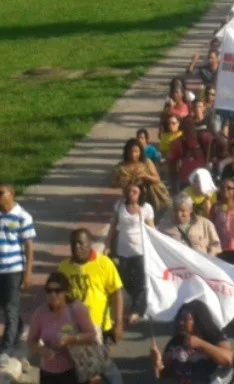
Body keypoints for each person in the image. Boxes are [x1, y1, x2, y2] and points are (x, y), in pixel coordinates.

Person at [58, 229, 123, 384]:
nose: (77, 247)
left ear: (90, 244)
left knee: (106, 368)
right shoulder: (64, 267)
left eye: (81, 243)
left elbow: (116, 293)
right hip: (76, 330)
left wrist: (118, 323)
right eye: (73, 243)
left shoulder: (104, 263)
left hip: (99, 328)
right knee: (84, 371)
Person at [28, 272, 97, 384]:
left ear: (66, 292)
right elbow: (31, 341)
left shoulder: (76, 309)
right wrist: (42, 350)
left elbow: (92, 335)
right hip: (48, 373)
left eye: (58, 291)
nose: (53, 295)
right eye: (49, 291)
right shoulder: (40, 313)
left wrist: (72, 339)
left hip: (74, 370)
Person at [150, 300, 234, 384]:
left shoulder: (215, 337)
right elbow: (163, 375)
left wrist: (201, 344)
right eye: (179, 319)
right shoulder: (175, 342)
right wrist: (158, 364)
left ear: (198, 320)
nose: (181, 323)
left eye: (186, 319)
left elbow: (228, 360)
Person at [104, 181, 154, 325]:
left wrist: (154, 248)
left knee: (140, 281)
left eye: (135, 192)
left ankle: (137, 310)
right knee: (124, 279)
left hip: (140, 250)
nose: (131, 194)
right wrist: (107, 244)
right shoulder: (120, 206)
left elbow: (152, 229)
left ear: (140, 194)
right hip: (123, 250)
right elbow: (113, 226)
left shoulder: (146, 208)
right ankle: (136, 304)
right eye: (129, 191)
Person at [0, 183, 35, 360]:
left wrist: (28, 273)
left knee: (10, 309)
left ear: (11, 194)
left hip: (13, 270)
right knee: (7, 308)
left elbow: (29, 246)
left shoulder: (23, 217)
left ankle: (7, 348)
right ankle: (17, 329)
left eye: (1, 193)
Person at [112, 138, 169, 212]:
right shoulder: (121, 167)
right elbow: (113, 184)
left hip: (148, 197)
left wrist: (145, 176)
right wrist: (124, 182)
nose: (133, 154)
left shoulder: (147, 163)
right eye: (130, 152)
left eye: (136, 152)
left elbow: (157, 179)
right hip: (130, 198)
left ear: (140, 152)